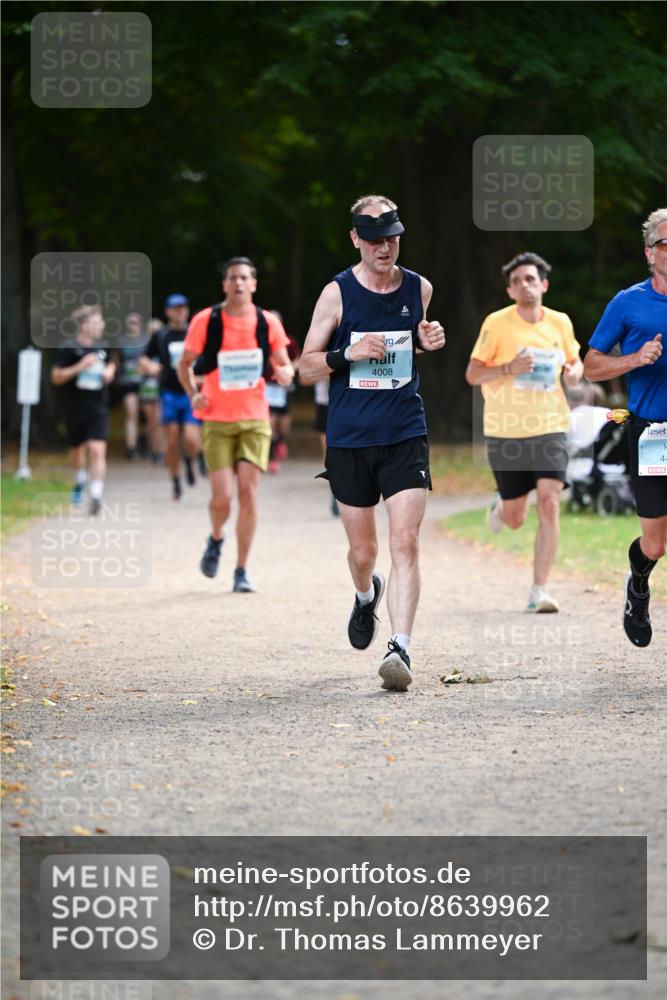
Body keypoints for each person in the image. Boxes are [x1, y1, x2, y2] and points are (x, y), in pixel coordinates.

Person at [299, 194, 445, 692]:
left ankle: (400, 648)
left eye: (393, 238)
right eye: (375, 238)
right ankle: (366, 596)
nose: (386, 247)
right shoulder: (336, 294)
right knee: (364, 552)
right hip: (350, 438)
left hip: (405, 430)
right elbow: (305, 367)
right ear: (356, 239)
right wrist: (349, 352)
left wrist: (427, 340)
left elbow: (413, 342)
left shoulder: (419, 288)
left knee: (406, 542)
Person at [466, 252, 583, 613]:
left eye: (530, 279)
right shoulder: (497, 323)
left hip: (551, 425)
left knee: (549, 501)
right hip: (506, 430)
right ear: (510, 290)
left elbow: (574, 361)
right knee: (516, 520)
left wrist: (574, 373)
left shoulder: (560, 322)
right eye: (516, 281)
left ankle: (539, 590)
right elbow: (473, 373)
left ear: (544, 284)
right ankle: (502, 505)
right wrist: (509, 368)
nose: (524, 285)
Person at [177, 257, 294, 592]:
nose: (238, 283)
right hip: (216, 418)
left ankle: (241, 569)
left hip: (255, 418)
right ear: (224, 284)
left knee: (248, 492)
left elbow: (284, 364)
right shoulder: (206, 320)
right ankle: (216, 537)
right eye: (233, 278)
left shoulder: (267, 322)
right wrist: (193, 394)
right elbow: (184, 364)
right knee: (222, 498)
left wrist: (286, 373)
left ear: (254, 284)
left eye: (244, 278)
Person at [583, 207, 667, 647]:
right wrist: (635, 359)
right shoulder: (628, 303)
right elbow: (591, 366)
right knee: (655, 545)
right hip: (652, 432)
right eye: (666, 244)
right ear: (650, 252)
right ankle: (638, 584)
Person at [50, 304, 116, 516]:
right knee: (78, 452)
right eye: (98, 321)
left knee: (97, 449)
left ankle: (96, 495)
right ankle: (80, 478)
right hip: (74, 407)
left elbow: (112, 364)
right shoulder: (68, 347)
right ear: (84, 324)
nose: (102, 325)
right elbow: (56, 377)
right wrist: (80, 366)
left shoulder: (104, 346)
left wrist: (109, 372)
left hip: (98, 406)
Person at [140, 294, 202, 500]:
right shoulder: (161, 335)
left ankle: (190, 460)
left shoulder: (194, 333)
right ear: (168, 312)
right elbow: (144, 359)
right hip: (169, 393)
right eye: (175, 308)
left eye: (183, 308)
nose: (180, 312)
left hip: (191, 393)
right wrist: (150, 366)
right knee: (172, 441)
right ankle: (176, 481)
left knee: (191, 439)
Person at [265, 311, 301, 474]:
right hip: (267, 386)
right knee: (270, 421)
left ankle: (280, 441)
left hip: (283, 387)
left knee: (284, 424)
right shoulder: (260, 340)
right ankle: (271, 457)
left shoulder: (289, 341)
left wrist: (288, 369)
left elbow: (298, 359)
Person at [116, 311, 145, 461]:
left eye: (136, 322)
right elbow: (116, 361)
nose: (133, 325)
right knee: (131, 413)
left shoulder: (146, 339)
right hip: (128, 382)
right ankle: (131, 447)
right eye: (130, 322)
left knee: (148, 415)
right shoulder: (121, 341)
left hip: (146, 382)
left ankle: (148, 444)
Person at [313, 377, 339, 516]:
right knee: (330, 452)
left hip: (346, 405)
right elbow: (305, 379)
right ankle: (335, 494)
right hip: (325, 405)